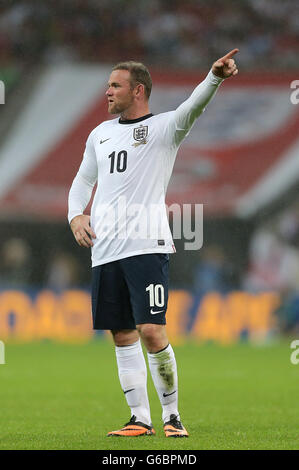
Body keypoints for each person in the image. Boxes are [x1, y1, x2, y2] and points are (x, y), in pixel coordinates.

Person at [68, 50, 239, 437]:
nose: (107, 91)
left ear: (138, 90)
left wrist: (214, 77)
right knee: (122, 333)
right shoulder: (100, 133)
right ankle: (138, 419)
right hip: (105, 249)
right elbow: (82, 181)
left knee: (151, 330)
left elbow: (193, 107)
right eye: (108, 84)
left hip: (147, 244)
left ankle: (173, 416)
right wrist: (76, 215)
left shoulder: (165, 128)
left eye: (116, 85)